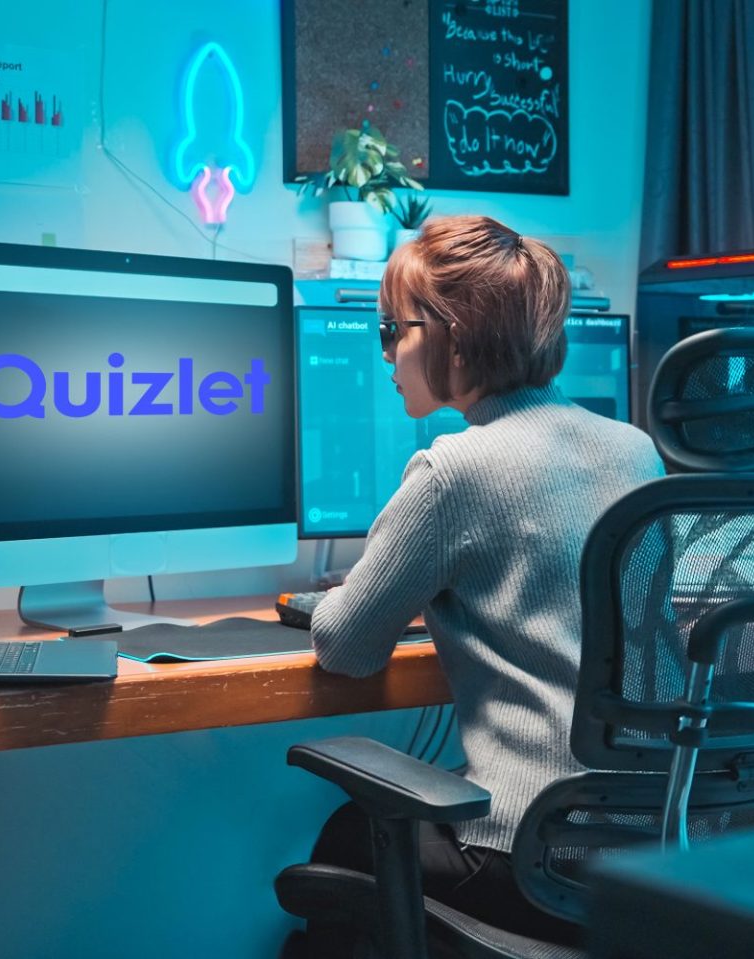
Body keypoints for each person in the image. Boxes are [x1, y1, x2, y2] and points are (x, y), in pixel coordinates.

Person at [302, 215, 665, 949]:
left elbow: (345, 646)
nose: (385, 354)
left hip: (533, 849)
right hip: (655, 841)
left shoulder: (453, 469)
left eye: (392, 330)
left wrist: (356, 593)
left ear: (452, 337)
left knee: (347, 835)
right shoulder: (636, 451)